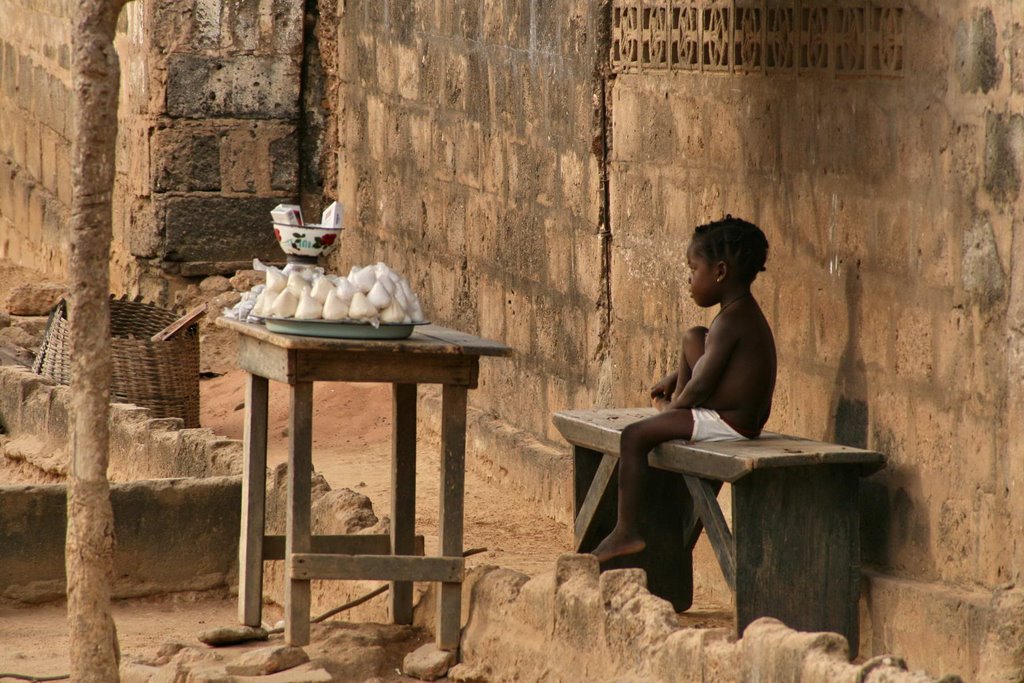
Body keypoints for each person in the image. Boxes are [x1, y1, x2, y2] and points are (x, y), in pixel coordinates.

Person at [592, 215, 777, 563]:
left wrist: (674, 404)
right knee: (693, 335)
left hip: (731, 423)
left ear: (719, 272)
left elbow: (701, 387)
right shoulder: (737, 313)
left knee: (633, 437)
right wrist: (673, 380)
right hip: (730, 411)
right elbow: (705, 364)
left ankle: (625, 532)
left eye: (693, 270)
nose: (690, 280)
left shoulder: (732, 322)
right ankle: (673, 407)